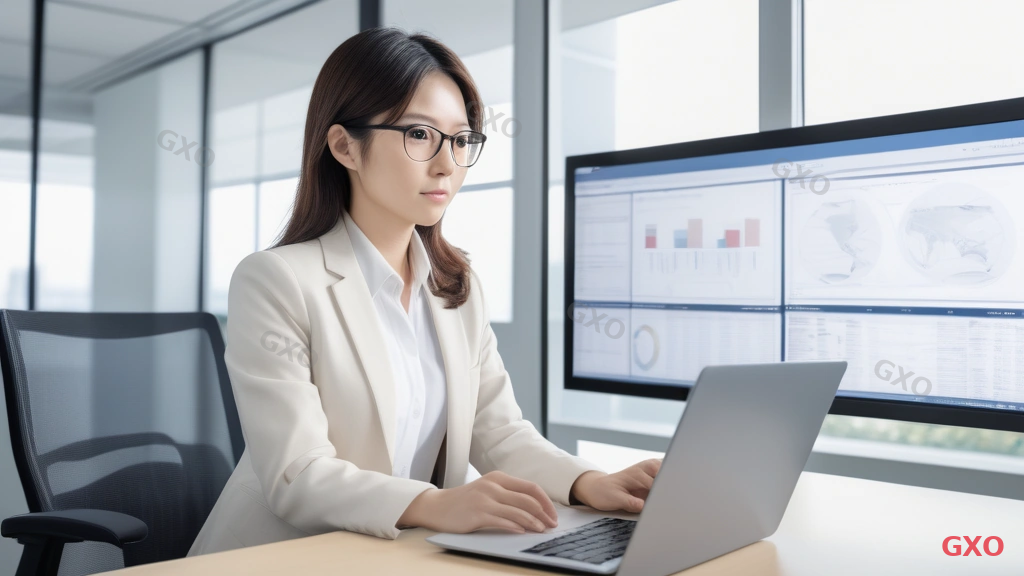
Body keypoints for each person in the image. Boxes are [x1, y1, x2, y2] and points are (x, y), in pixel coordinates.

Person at [188, 26, 661, 556]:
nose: (447, 164)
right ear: (345, 146)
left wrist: (589, 483)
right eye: (419, 134)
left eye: (460, 140)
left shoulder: (457, 288)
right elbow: (297, 473)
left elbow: (500, 433)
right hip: (280, 556)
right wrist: (436, 505)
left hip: (398, 554)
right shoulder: (275, 281)